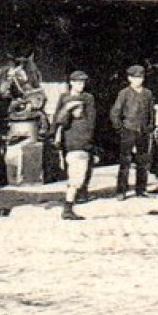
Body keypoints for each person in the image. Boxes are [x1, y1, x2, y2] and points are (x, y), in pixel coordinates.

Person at [52, 71, 96, 221]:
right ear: (71, 82)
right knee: (76, 176)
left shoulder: (88, 98)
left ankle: (69, 206)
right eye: (77, 82)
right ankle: (68, 208)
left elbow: (91, 121)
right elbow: (58, 120)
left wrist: (89, 141)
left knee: (78, 176)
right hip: (71, 141)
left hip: (82, 141)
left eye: (82, 83)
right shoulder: (64, 98)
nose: (80, 85)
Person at [110, 64, 155, 199]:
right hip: (128, 130)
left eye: (141, 77)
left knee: (142, 161)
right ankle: (121, 191)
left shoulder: (148, 93)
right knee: (125, 161)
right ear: (130, 79)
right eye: (135, 78)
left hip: (143, 131)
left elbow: (151, 111)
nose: (138, 80)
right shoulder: (124, 93)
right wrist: (120, 128)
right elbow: (115, 112)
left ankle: (141, 190)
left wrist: (150, 126)